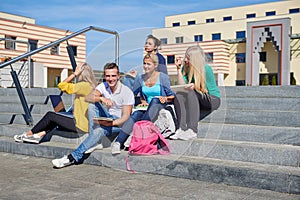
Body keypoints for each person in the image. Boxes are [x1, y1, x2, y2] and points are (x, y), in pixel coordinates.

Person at [52, 62, 134, 168]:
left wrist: (110, 124)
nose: (111, 79)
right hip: (107, 117)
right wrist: (101, 98)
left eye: (113, 76)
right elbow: (88, 98)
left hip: (120, 124)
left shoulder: (126, 92)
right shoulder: (103, 86)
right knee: (91, 104)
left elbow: (125, 118)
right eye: (108, 76)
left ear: (118, 76)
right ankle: (94, 140)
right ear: (104, 76)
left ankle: (70, 158)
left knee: (99, 130)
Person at [14, 63, 97, 144]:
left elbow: (61, 85)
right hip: (84, 124)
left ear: (81, 73)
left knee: (50, 115)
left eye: (77, 70)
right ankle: (39, 135)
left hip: (80, 125)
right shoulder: (90, 86)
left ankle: (28, 134)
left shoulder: (83, 86)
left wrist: (74, 74)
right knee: (57, 117)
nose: (75, 71)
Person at [111, 53, 174, 155]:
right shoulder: (140, 78)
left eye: (148, 64)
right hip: (147, 108)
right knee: (136, 114)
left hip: (160, 105)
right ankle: (118, 143)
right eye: (144, 64)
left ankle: (135, 134)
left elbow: (172, 96)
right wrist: (141, 101)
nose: (145, 66)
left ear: (155, 65)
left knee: (155, 100)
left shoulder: (162, 77)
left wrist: (165, 98)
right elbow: (133, 95)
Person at [170, 45, 221, 140]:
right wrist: (178, 69)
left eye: (188, 58)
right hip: (196, 96)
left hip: (212, 99)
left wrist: (195, 87)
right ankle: (181, 128)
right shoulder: (186, 67)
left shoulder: (206, 69)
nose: (185, 60)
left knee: (190, 92)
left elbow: (206, 90)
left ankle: (193, 130)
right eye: (185, 57)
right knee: (179, 95)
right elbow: (182, 86)